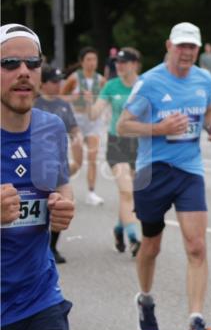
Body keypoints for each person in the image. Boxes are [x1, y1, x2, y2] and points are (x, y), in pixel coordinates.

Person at [1, 23, 76, 330]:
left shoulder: (49, 128)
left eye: (33, 63)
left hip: (37, 301)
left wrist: (63, 209)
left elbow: (57, 193)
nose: (24, 73)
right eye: (11, 64)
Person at [116, 22, 211, 330]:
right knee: (151, 246)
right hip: (154, 172)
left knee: (196, 246)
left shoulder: (204, 79)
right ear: (169, 46)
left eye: (192, 46)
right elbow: (123, 125)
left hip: (189, 170)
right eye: (181, 46)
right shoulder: (149, 82)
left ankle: (195, 321)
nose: (187, 52)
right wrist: (159, 127)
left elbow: (207, 112)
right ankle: (146, 299)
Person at [90, 48, 143, 257]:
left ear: (135, 64)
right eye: (117, 63)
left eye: (124, 62)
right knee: (126, 191)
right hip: (117, 143)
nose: (119, 66)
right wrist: (88, 102)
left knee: (131, 195)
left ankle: (119, 229)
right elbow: (95, 112)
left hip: (140, 144)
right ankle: (134, 238)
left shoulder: (145, 84)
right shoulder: (111, 86)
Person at [33, 66, 83, 264]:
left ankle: (52, 246)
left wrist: (78, 137)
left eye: (60, 81)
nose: (58, 85)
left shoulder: (63, 105)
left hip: (56, 161)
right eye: (54, 81)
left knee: (60, 203)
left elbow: (73, 127)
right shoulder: (33, 103)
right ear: (42, 83)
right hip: (35, 161)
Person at [61, 46, 105, 206]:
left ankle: (91, 193)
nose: (92, 63)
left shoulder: (101, 80)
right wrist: (74, 97)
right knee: (78, 163)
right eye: (88, 60)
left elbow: (105, 99)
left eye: (94, 59)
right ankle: (59, 182)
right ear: (82, 62)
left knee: (93, 159)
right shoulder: (74, 78)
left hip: (94, 123)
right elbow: (60, 97)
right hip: (77, 124)